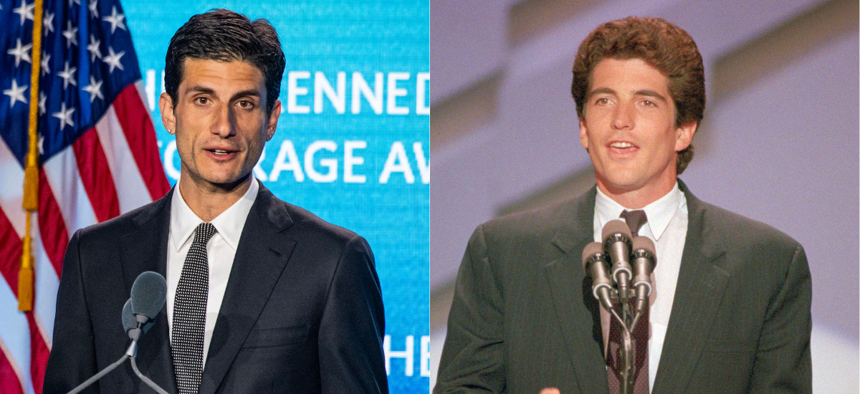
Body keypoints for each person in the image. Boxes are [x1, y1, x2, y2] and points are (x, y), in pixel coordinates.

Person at [435, 16, 811, 394]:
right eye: (604, 100)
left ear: (684, 129)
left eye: (645, 102)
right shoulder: (504, 253)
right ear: (583, 126)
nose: (620, 120)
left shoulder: (767, 264)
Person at [43, 9, 387, 394]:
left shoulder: (332, 261)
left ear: (271, 119)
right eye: (203, 99)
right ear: (170, 111)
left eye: (244, 104)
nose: (223, 126)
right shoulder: (95, 256)